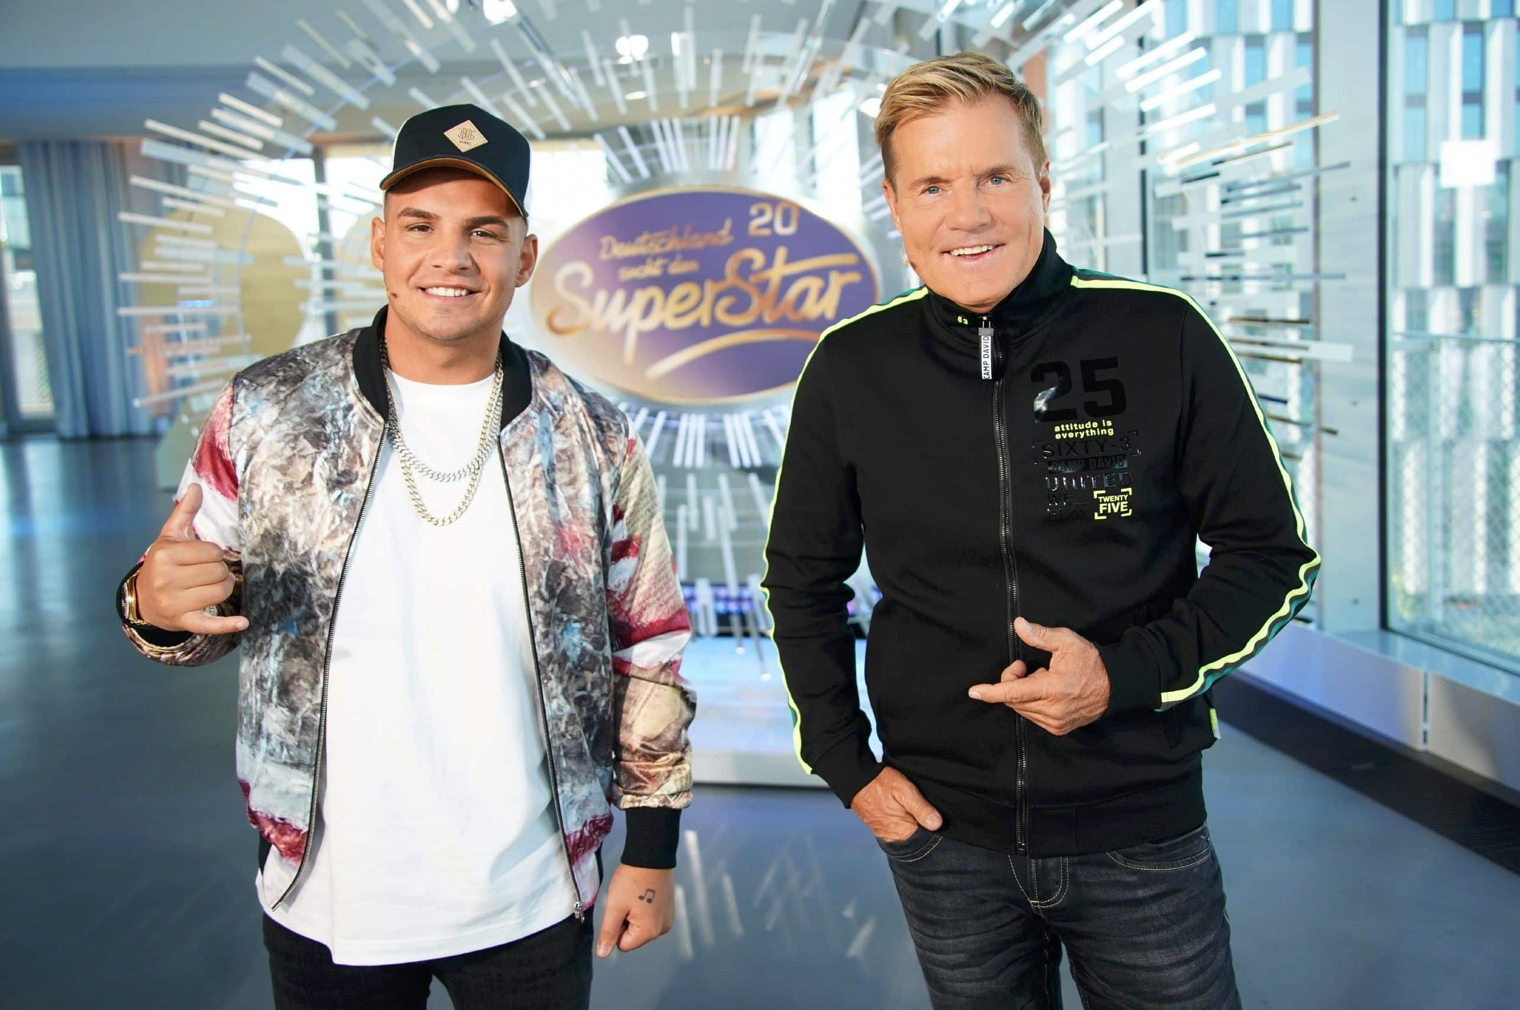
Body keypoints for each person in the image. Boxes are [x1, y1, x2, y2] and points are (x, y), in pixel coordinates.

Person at [762, 52, 1318, 1010]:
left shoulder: (1162, 336)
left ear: (1043, 183)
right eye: (933, 184)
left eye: (995, 177)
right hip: (942, 834)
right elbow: (800, 581)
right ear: (895, 203)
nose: (966, 213)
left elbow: (1272, 557)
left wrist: (1122, 676)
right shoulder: (851, 367)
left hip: (1139, 827)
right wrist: (845, 764)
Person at [114, 104, 696, 1010]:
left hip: (532, 891)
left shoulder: (592, 433)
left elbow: (648, 643)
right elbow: (187, 613)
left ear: (524, 258)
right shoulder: (266, 411)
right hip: (325, 890)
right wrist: (149, 605)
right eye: (420, 227)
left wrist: (651, 854)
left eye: (483, 233)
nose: (450, 258)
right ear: (379, 244)